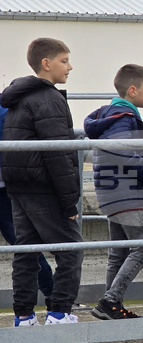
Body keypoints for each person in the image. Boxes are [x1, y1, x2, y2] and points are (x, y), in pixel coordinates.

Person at [1, 38, 83, 326]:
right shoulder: (49, 99)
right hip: (44, 187)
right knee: (71, 249)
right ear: (46, 64)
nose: (69, 66)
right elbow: (59, 155)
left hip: (19, 187)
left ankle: (23, 316)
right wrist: (69, 200)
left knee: (26, 252)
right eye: (64, 60)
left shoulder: (18, 97)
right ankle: (59, 312)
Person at [83, 64, 143, 320]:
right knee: (142, 249)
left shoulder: (110, 114)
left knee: (119, 250)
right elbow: (121, 151)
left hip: (110, 192)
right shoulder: (124, 117)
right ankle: (110, 301)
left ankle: (111, 306)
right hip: (125, 193)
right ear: (132, 90)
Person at [0, 103, 54, 301]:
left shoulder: (7, 110)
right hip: (10, 186)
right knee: (24, 245)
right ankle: (52, 295)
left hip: (7, 187)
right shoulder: (8, 110)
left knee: (24, 246)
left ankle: (49, 295)